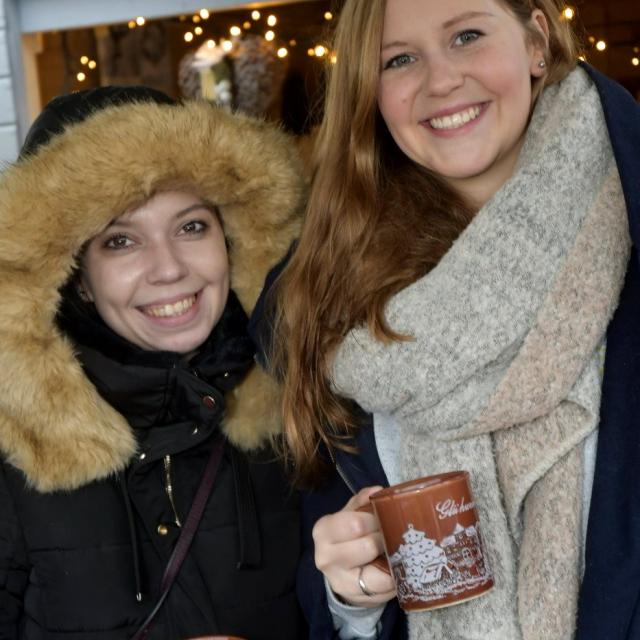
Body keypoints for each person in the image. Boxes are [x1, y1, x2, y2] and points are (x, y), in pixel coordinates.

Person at [256, 0, 640, 638]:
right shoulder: (331, 302)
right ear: (370, 92)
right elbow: (323, 582)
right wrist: (353, 601)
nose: (440, 81)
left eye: (467, 35)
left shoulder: (629, 221)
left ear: (536, 39)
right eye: (399, 59)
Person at [0, 86, 308, 639]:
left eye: (192, 227)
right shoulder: (16, 454)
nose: (168, 269)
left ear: (231, 240)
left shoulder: (295, 408)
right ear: (79, 280)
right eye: (121, 241)